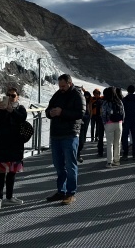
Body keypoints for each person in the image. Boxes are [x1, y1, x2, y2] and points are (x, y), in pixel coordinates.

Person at [45, 74, 86, 205]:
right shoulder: (57, 94)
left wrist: (62, 112)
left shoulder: (77, 94)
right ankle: (61, 191)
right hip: (56, 135)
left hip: (70, 134)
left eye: (63, 86)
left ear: (70, 83)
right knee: (58, 165)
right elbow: (48, 109)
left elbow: (81, 113)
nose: (61, 88)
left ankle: (71, 193)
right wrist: (50, 113)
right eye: (60, 86)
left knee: (70, 165)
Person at [0, 88, 27, 210]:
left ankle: (9, 197)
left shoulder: (20, 109)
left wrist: (12, 111)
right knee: (0, 172)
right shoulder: (1, 109)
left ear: (18, 97)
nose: (10, 97)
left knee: (12, 172)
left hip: (15, 145)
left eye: (13, 95)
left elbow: (22, 118)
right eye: (8, 95)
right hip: (1, 145)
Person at [101, 86, 124, 167]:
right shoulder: (119, 101)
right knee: (117, 143)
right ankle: (117, 160)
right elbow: (123, 113)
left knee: (109, 143)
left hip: (109, 123)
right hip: (119, 123)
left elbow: (103, 114)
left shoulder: (105, 102)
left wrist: (105, 123)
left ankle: (109, 162)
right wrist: (121, 122)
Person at [121, 85, 135, 160]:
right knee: (134, 137)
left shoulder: (125, 99)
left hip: (126, 119)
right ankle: (134, 154)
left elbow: (122, 110)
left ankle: (125, 154)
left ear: (128, 91)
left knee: (125, 137)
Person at [77, 90, 92, 163]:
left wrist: (87, 116)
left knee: (81, 142)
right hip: (75, 124)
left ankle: (78, 152)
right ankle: (77, 155)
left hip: (82, 122)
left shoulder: (84, 101)